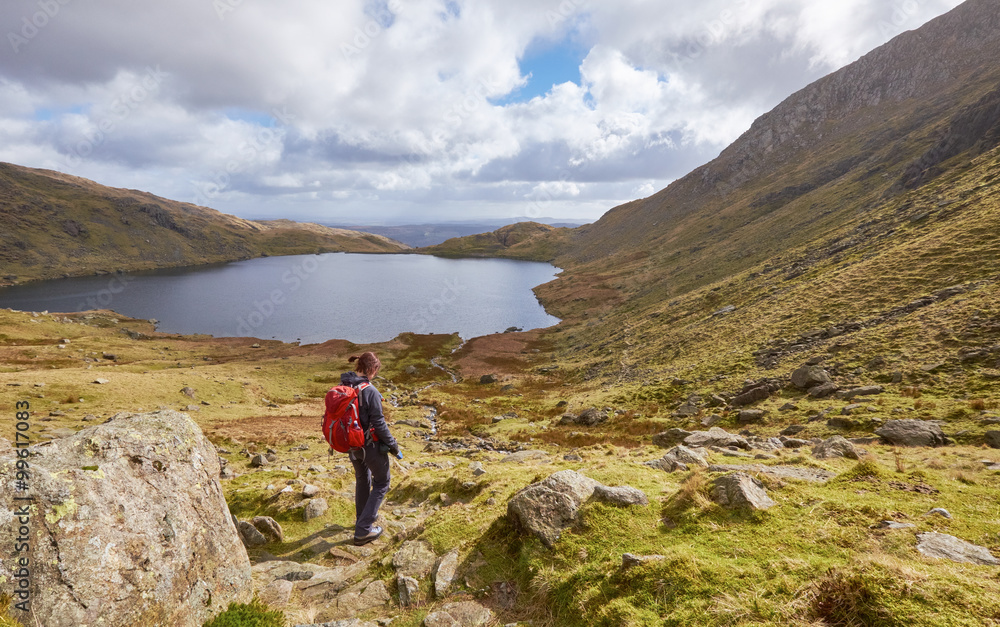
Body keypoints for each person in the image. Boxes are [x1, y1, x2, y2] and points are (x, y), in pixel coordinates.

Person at [341, 351, 400, 546]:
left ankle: (361, 520)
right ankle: (363, 530)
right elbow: (379, 424)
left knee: (362, 479)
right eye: (376, 370)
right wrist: (393, 446)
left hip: (352, 445)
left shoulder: (346, 385)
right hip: (369, 446)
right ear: (371, 369)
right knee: (382, 481)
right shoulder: (370, 391)